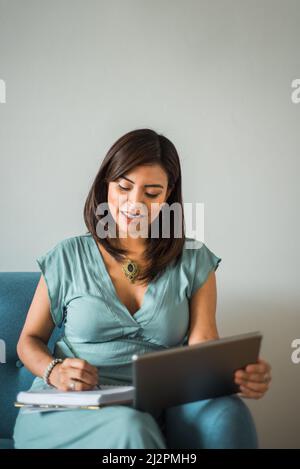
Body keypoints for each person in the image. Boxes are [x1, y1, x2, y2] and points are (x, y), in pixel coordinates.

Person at [13, 128, 272, 449]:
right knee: (129, 427)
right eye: (123, 187)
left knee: (139, 422)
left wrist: (237, 373)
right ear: (105, 184)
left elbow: (203, 346)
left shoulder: (194, 260)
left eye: (151, 193)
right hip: (69, 404)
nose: (135, 203)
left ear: (168, 196)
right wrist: (54, 371)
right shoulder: (67, 256)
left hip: (152, 406)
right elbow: (29, 340)